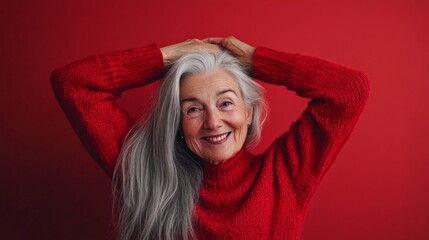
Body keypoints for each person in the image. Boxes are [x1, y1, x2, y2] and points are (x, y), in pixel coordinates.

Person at [51, 37, 369, 240]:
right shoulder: (147, 170)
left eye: (226, 102)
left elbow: (347, 91)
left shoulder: (283, 176)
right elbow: (74, 83)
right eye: (193, 109)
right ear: (176, 121)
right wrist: (165, 57)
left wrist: (258, 59)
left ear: (249, 111)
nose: (213, 122)